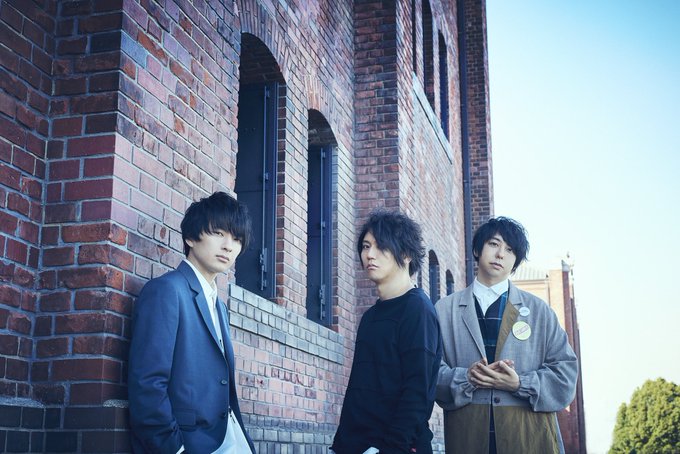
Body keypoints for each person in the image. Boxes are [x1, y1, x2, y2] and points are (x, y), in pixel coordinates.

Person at [435, 217, 578, 453]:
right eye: (494, 244)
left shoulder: (539, 311)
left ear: (515, 262)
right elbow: (429, 372)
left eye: (510, 250)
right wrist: (466, 378)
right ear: (477, 250)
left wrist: (520, 384)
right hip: (468, 436)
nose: (500, 254)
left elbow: (566, 376)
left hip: (529, 437)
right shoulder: (444, 310)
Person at [128, 191, 256, 454]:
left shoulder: (219, 306)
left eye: (237, 239)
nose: (228, 246)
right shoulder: (167, 291)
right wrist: (174, 448)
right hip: (188, 444)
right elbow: (148, 384)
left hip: (227, 439)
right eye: (218, 233)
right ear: (190, 237)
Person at [331, 210, 443, 454]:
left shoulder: (418, 310)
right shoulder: (370, 316)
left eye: (381, 246)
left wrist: (391, 448)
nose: (369, 254)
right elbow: (360, 391)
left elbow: (417, 393)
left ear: (406, 254)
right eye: (365, 246)